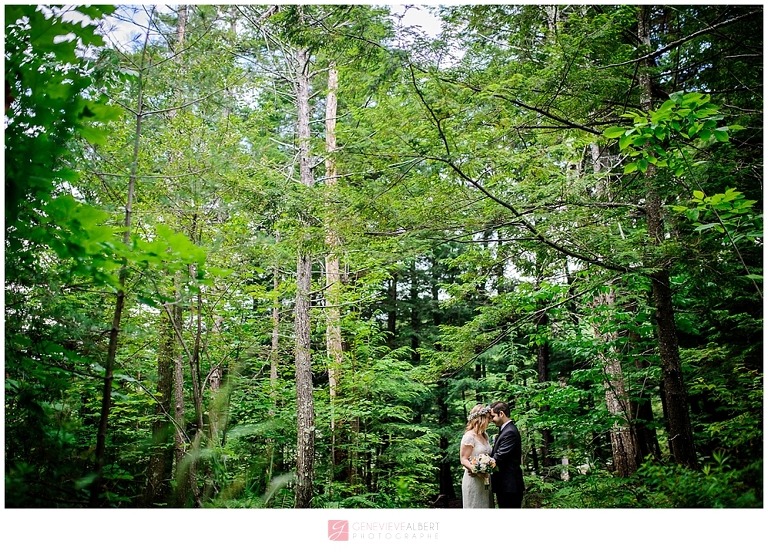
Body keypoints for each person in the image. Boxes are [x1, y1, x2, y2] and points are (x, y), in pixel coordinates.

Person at [489, 401, 525, 508]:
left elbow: (499, 457)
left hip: (510, 486)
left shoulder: (509, 432)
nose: (491, 420)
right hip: (505, 486)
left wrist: (479, 466)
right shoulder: (505, 430)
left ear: (501, 414)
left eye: (493, 416)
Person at [459, 404, 495, 508]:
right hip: (474, 480)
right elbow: (463, 459)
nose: (490, 421)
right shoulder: (469, 436)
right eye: (488, 418)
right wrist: (476, 470)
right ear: (481, 419)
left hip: (486, 480)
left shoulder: (485, 435)